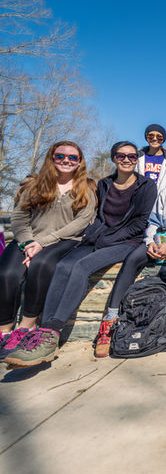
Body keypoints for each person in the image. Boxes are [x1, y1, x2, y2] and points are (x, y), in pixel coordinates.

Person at [4, 142, 157, 367]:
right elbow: (97, 216)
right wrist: (97, 236)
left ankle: (51, 332)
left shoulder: (146, 185)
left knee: (82, 267)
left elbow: (140, 222)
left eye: (132, 156)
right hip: (98, 238)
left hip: (127, 242)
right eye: (121, 155)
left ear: (137, 160)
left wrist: (107, 238)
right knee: (63, 265)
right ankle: (41, 329)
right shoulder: (104, 184)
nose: (127, 160)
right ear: (114, 158)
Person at [94, 158, 166, 358]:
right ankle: (110, 320)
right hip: (161, 240)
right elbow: (154, 222)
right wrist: (151, 242)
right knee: (132, 258)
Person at [0, 141, 96, 359]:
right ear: (51, 158)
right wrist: (28, 243)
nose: (66, 161)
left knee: (42, 265)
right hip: (28, 239)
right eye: (60, 156)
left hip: (64, 240)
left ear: (79, 162)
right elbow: (18, 218)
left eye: (73, 157)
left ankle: (27, 326)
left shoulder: (86, 189)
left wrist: (43, 243)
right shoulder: (34, 184)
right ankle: (4, 331)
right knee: (7, 274)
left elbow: (81, 223)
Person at [137, 123, 166, 192]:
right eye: (151, 136)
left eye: (159, 137)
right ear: (146, 137)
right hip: (141, 196)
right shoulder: (137, 156)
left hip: (162, 199)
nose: (154, 139)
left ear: (163, 139)